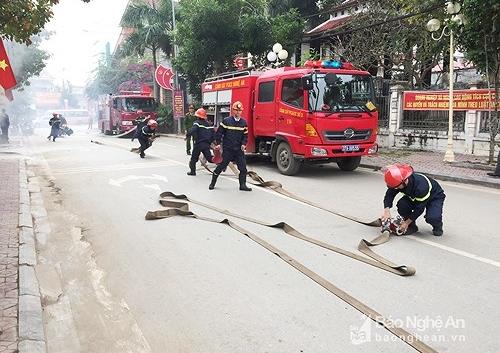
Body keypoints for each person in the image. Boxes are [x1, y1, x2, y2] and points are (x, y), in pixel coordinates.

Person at [381, 164, 446, 236]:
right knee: (402, 204)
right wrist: (386, 210)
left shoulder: (420, 186)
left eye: (397, 187)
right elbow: (389, 195)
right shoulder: (398, 182)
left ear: (404, 181)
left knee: (432, 217)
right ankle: (412, 227)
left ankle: (438, 226)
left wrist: (406, 223)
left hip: (434, 197)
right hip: (415, 197)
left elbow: (419, 208)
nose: (396, 189)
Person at [209, 101, 252, 191]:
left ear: (242, 111)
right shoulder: (226, 121)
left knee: (243, 169)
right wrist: (218, 143)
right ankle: (212, 183)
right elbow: (219, 133)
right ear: (233, 110)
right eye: (236, 110)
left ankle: (242, 185)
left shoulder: (244, 123)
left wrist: (244, 144)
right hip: (228, 150)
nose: (238, 112)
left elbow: (245, 135)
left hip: (238, 150)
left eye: (239, 110)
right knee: (220, 167)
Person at [185, 108, 217, 176]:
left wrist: (187, 135)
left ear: (197, 116)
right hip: (206, 144)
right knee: (209, 158)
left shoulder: (197, 123)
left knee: (193, 159)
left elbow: (192, 130)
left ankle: (192, 172)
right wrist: (213, 141)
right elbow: (213, 134)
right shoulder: (209, 124)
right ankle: (220, 163)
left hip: (199, 144)